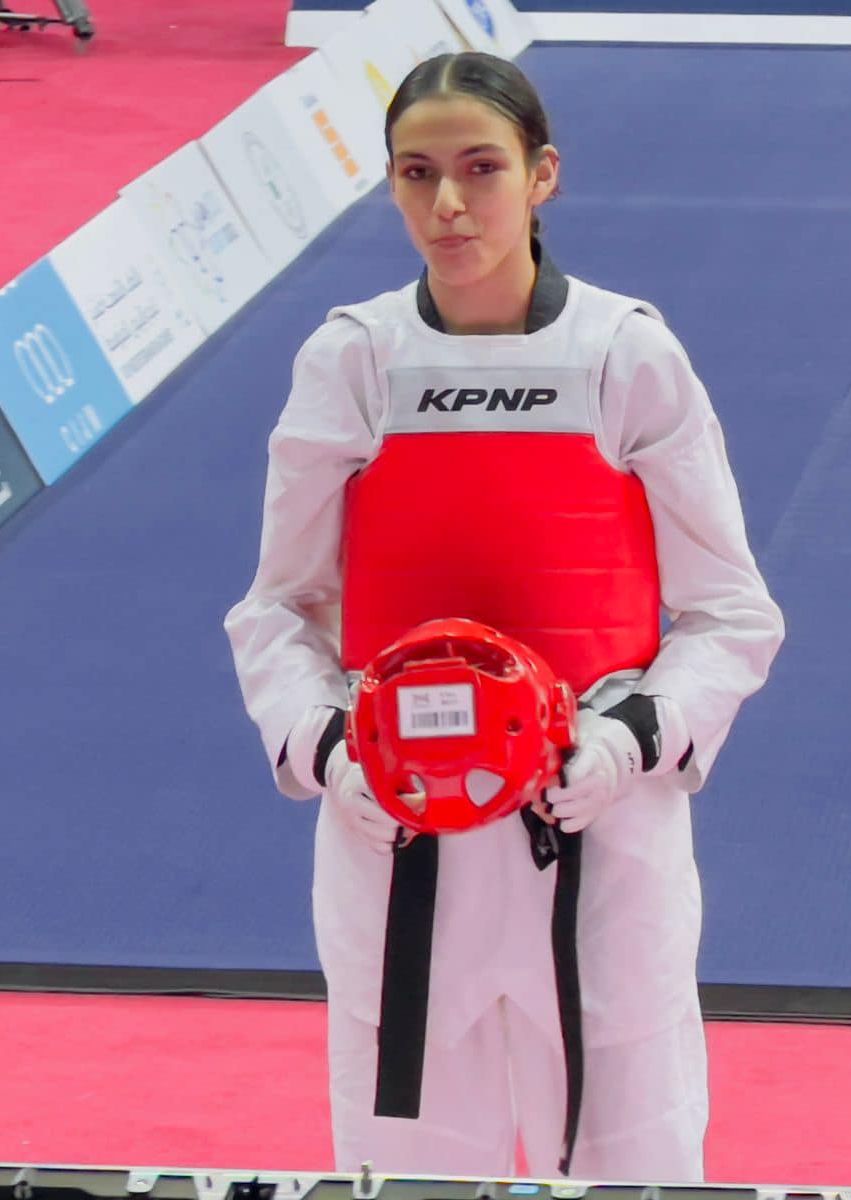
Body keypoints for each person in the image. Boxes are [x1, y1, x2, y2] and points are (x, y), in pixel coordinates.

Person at [225, 51, 783, 1183]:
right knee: (407, 1176)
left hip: (598, 843)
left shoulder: (625, 354)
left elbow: (731, 613)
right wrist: (332, 751)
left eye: (481, 168)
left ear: (542, 176)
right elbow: (278, 607)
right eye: (416, 172)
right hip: (399, 845)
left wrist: (628, 740)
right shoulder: (354, 360)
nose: (447, 203)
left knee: (633, 1167)